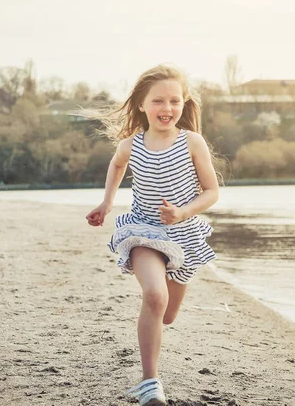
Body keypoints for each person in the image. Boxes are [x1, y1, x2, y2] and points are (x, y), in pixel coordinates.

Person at [85, 64, 220, 406]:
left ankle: (153, 331)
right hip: (143, 231)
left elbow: (211, 191)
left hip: (183, 234)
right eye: (158, 101)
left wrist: (182, 212)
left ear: (184, 103)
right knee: (155, 298)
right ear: (142, 105)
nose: (167, 108)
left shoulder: (193, 142)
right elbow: (117, 164)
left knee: (168, 314)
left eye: (174, 101)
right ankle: (150, 383)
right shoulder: (133, 144)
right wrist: (107, 202)